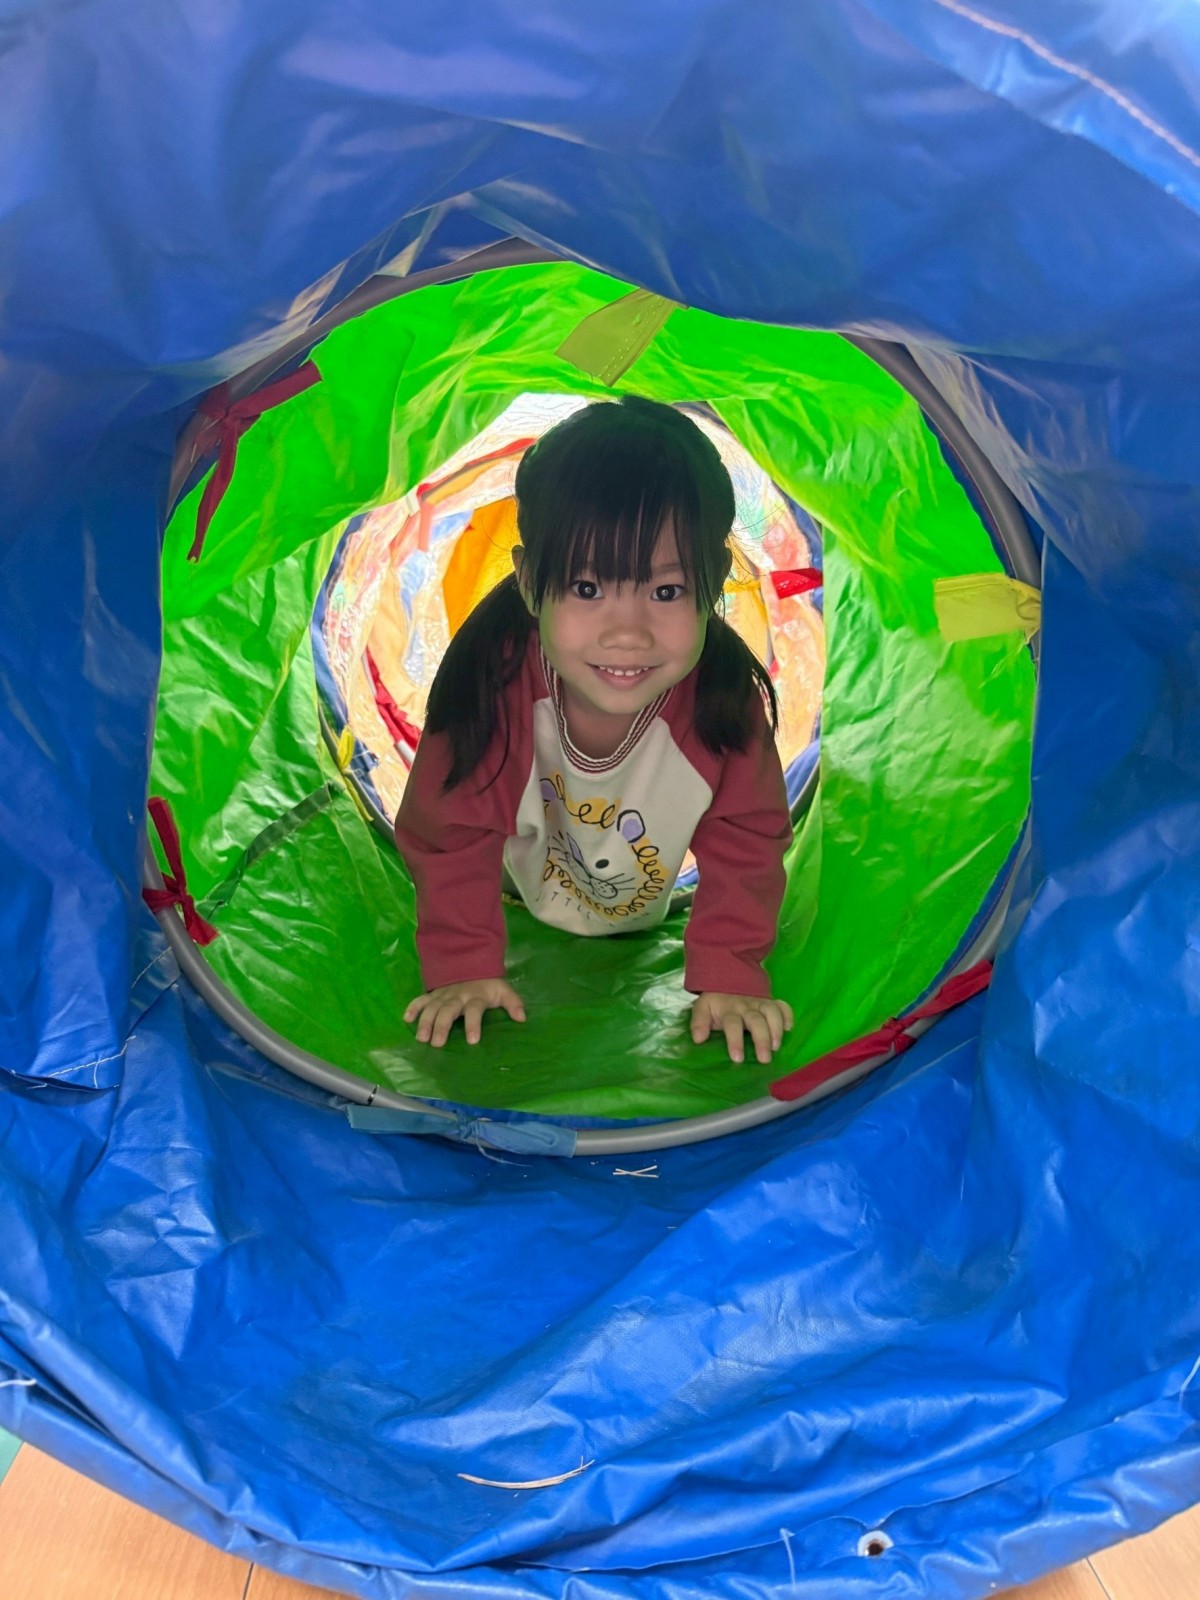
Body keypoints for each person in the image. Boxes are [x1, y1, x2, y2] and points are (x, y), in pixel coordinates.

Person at [395, 396, 794, 1066]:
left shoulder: (721, 705)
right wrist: (462, 964)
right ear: (530, 583)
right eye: (587, 588)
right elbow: (449, 828)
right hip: (509, 891)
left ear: (715, 583)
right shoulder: (493, 687)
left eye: (665, 592)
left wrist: (731, 972)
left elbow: (746, 840)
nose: (627, 633)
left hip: (643, 904)